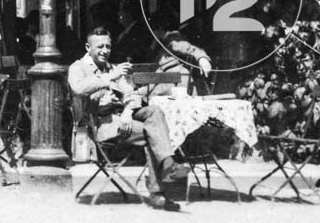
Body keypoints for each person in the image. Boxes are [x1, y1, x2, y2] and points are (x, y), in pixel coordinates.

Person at [68, 26, 183, 211]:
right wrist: (110, 77)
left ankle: (168, 163)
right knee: (153, 133)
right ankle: (158, 192)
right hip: (100, 123)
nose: (105, 51)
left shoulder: (114, 68)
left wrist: (128, 112)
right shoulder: (78, 67)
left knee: (154, 111)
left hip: (123, 116)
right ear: (88, 48)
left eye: (108, 46)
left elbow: (132, 95)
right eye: (100, 47)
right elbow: (79, 88)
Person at [157, 29, 213, 95]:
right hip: (162, 81)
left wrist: (202, 58)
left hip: (172, 82)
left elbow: (186, 47)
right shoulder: (158, 42)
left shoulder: (172, 39)